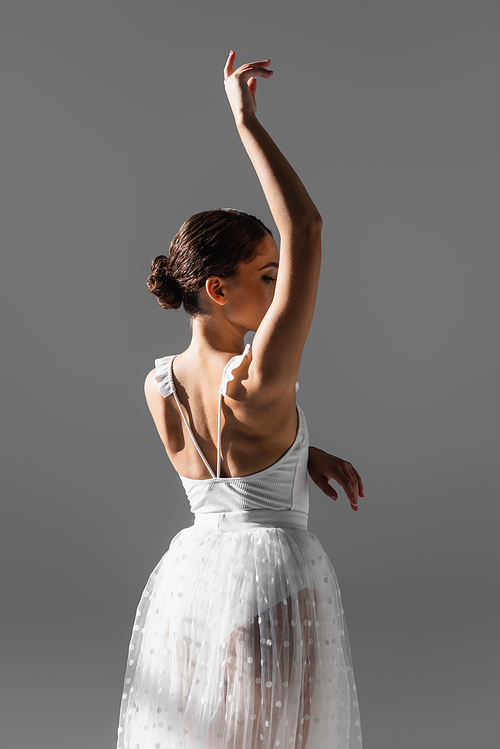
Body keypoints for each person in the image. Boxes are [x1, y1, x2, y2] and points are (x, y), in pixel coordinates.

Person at [116, 51, 364, 749]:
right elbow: (308, 227)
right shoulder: (261, 379)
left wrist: (301, 450)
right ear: (218, 290)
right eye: (266, 273)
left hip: (190, 582)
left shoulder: (158, 384)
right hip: (273, 581)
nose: (278, 283)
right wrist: (246, 122)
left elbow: (234, 476)